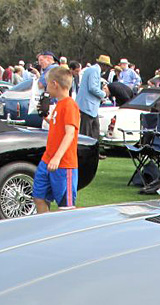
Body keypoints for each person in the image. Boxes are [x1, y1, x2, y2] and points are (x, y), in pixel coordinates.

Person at [33, 67, 80, 214]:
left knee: (65, 207)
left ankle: (64, 234)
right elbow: (57, 125)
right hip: (47, 160)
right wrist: (45, 116)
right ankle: (45, 229)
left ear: (55, 84)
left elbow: (69, 134)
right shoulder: (59, 104)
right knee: (39, 196)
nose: (46, 88)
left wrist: (57, 158)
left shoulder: (70, 105)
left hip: (64, 163)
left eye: (47, 84)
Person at [75, 56, 107, 141]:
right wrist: (104, 94)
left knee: (95, 130)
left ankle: (93, 151)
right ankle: (84, 152)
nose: (106, 69)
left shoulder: (92, 69)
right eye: (107, 66)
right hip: (87, 106)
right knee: (86, 132)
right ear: (103, 65)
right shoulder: (95, 70)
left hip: (91, 107)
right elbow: (92, 88)